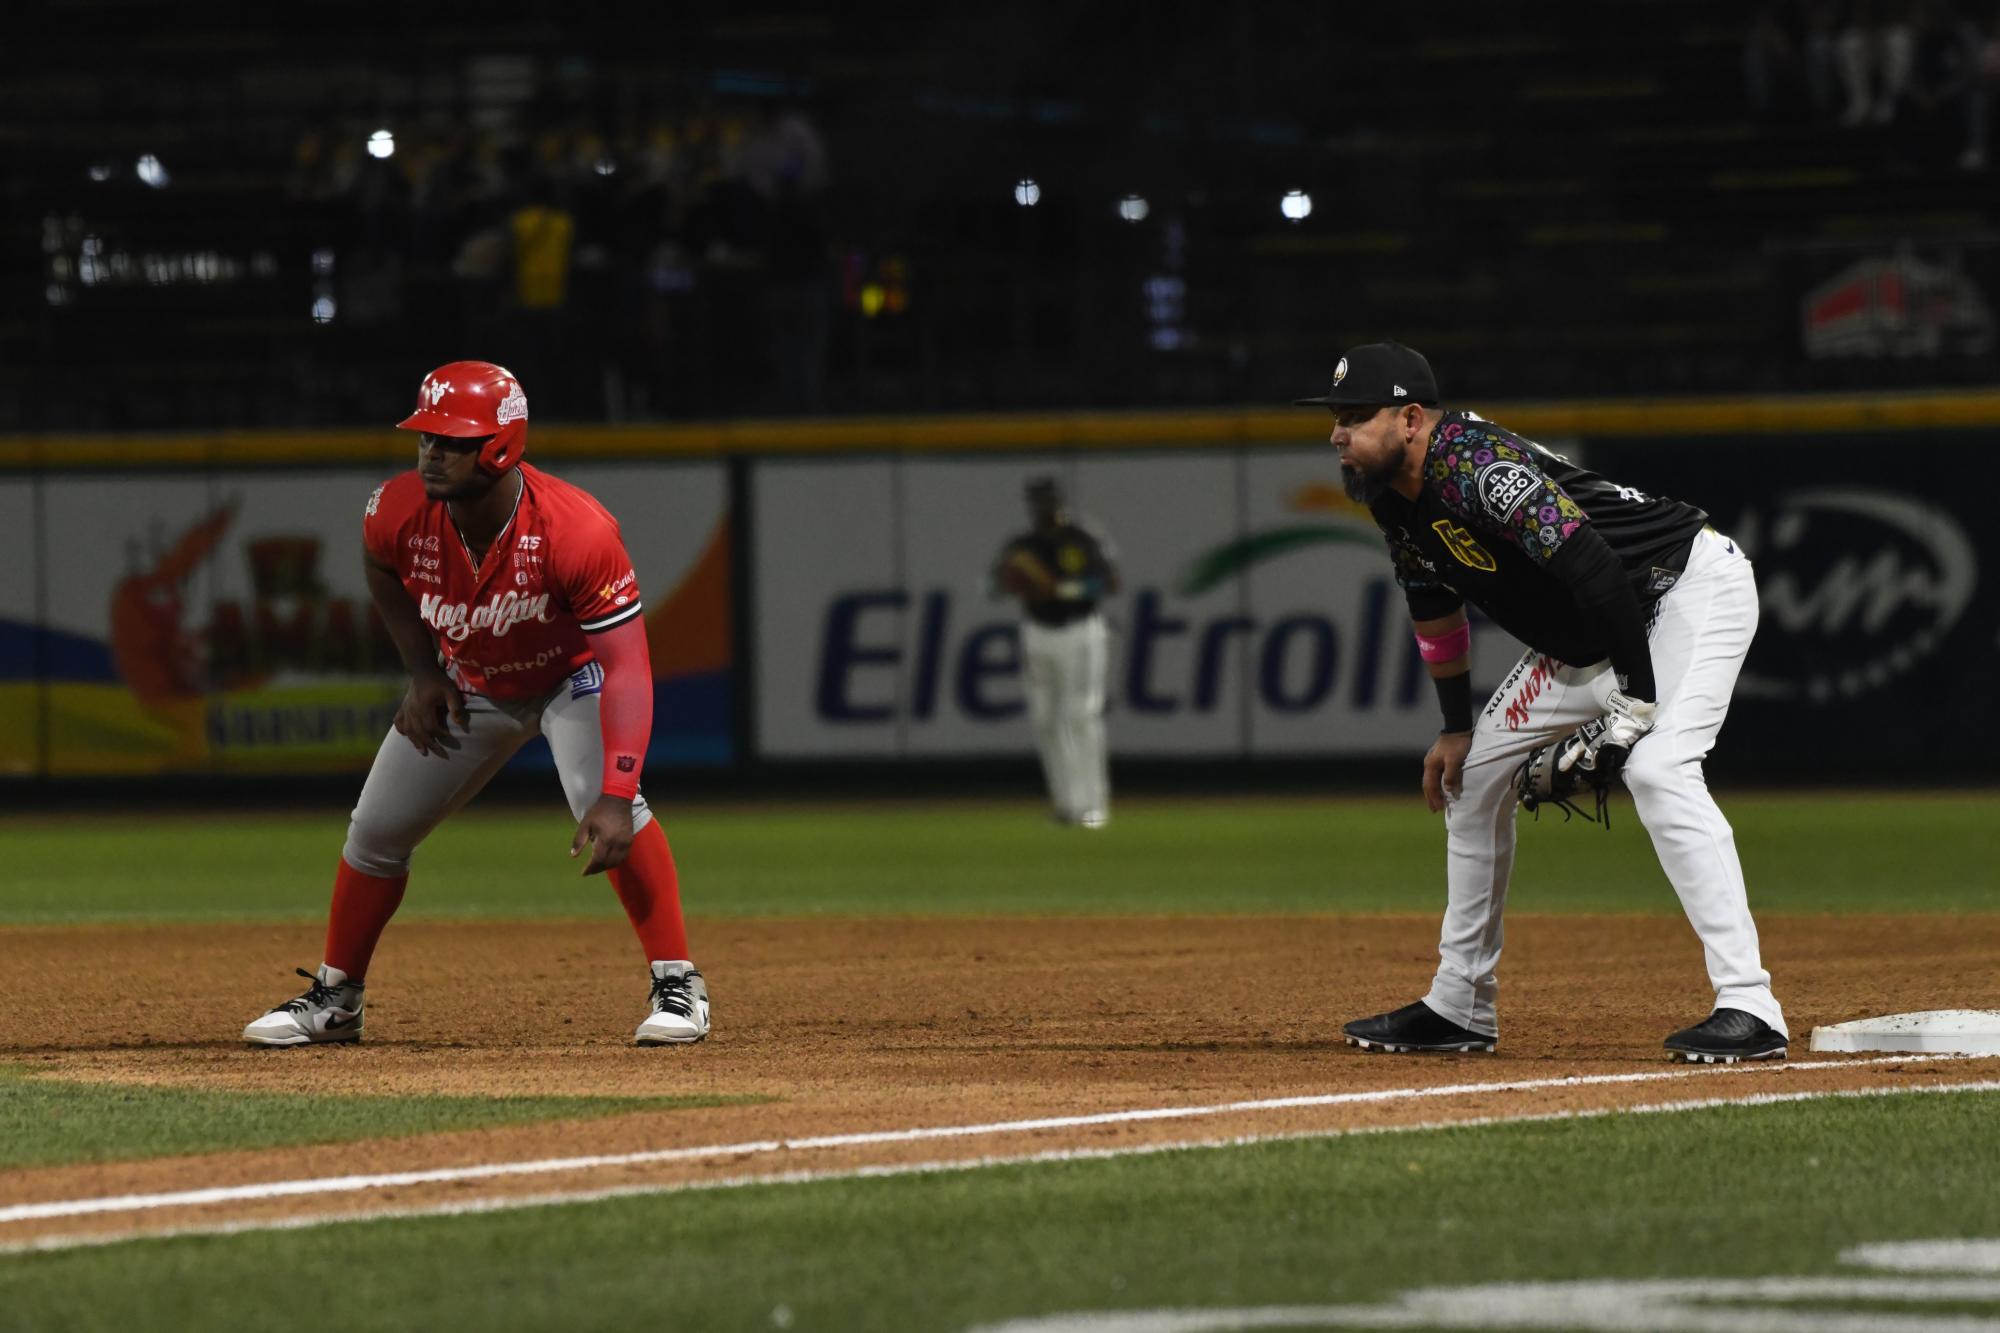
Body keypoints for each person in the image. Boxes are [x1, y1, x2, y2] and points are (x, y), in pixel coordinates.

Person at [1295, 342, 1788, 1064]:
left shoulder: (1473, 465)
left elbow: (1592, 565)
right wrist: (1456, 727)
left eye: (1354, 416)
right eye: (1335, 418)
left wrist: (1636, 701)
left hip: (1681, 589)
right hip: (1586, 637)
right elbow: (1433, 606)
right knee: (1471, 783)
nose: (1338, 433)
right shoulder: (1393, 500)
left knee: (1657, 770)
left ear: (1408, 418)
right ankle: (1460, 1004)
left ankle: (1751, 1003)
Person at [243, 360, 708, 1048]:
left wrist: (618, 786)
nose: (432, 451)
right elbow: (379, 567)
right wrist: (422, 672)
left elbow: (628, 666)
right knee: (373, 832)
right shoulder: (396, 509)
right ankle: (337, 1000)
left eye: (453, 439)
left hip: (569, 681)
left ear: (501, 446)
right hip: (472, 686)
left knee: (607, 805)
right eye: (427, 437)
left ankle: (680, 986)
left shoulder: (575, 529)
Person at [991, 477, 1120, 828]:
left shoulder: (1081, 537)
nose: (1044, 506)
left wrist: (1061, 588)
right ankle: (1066, 804)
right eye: (1037, 501)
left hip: (1081, 632)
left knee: (1081, 715)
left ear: (1060, 502)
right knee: (1045, 720)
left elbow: (1109, 581)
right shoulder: (1023, 545)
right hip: (1038, 633)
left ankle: (1094, 805)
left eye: (1049, 500)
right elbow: (994, 585)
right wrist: (1012, 583)